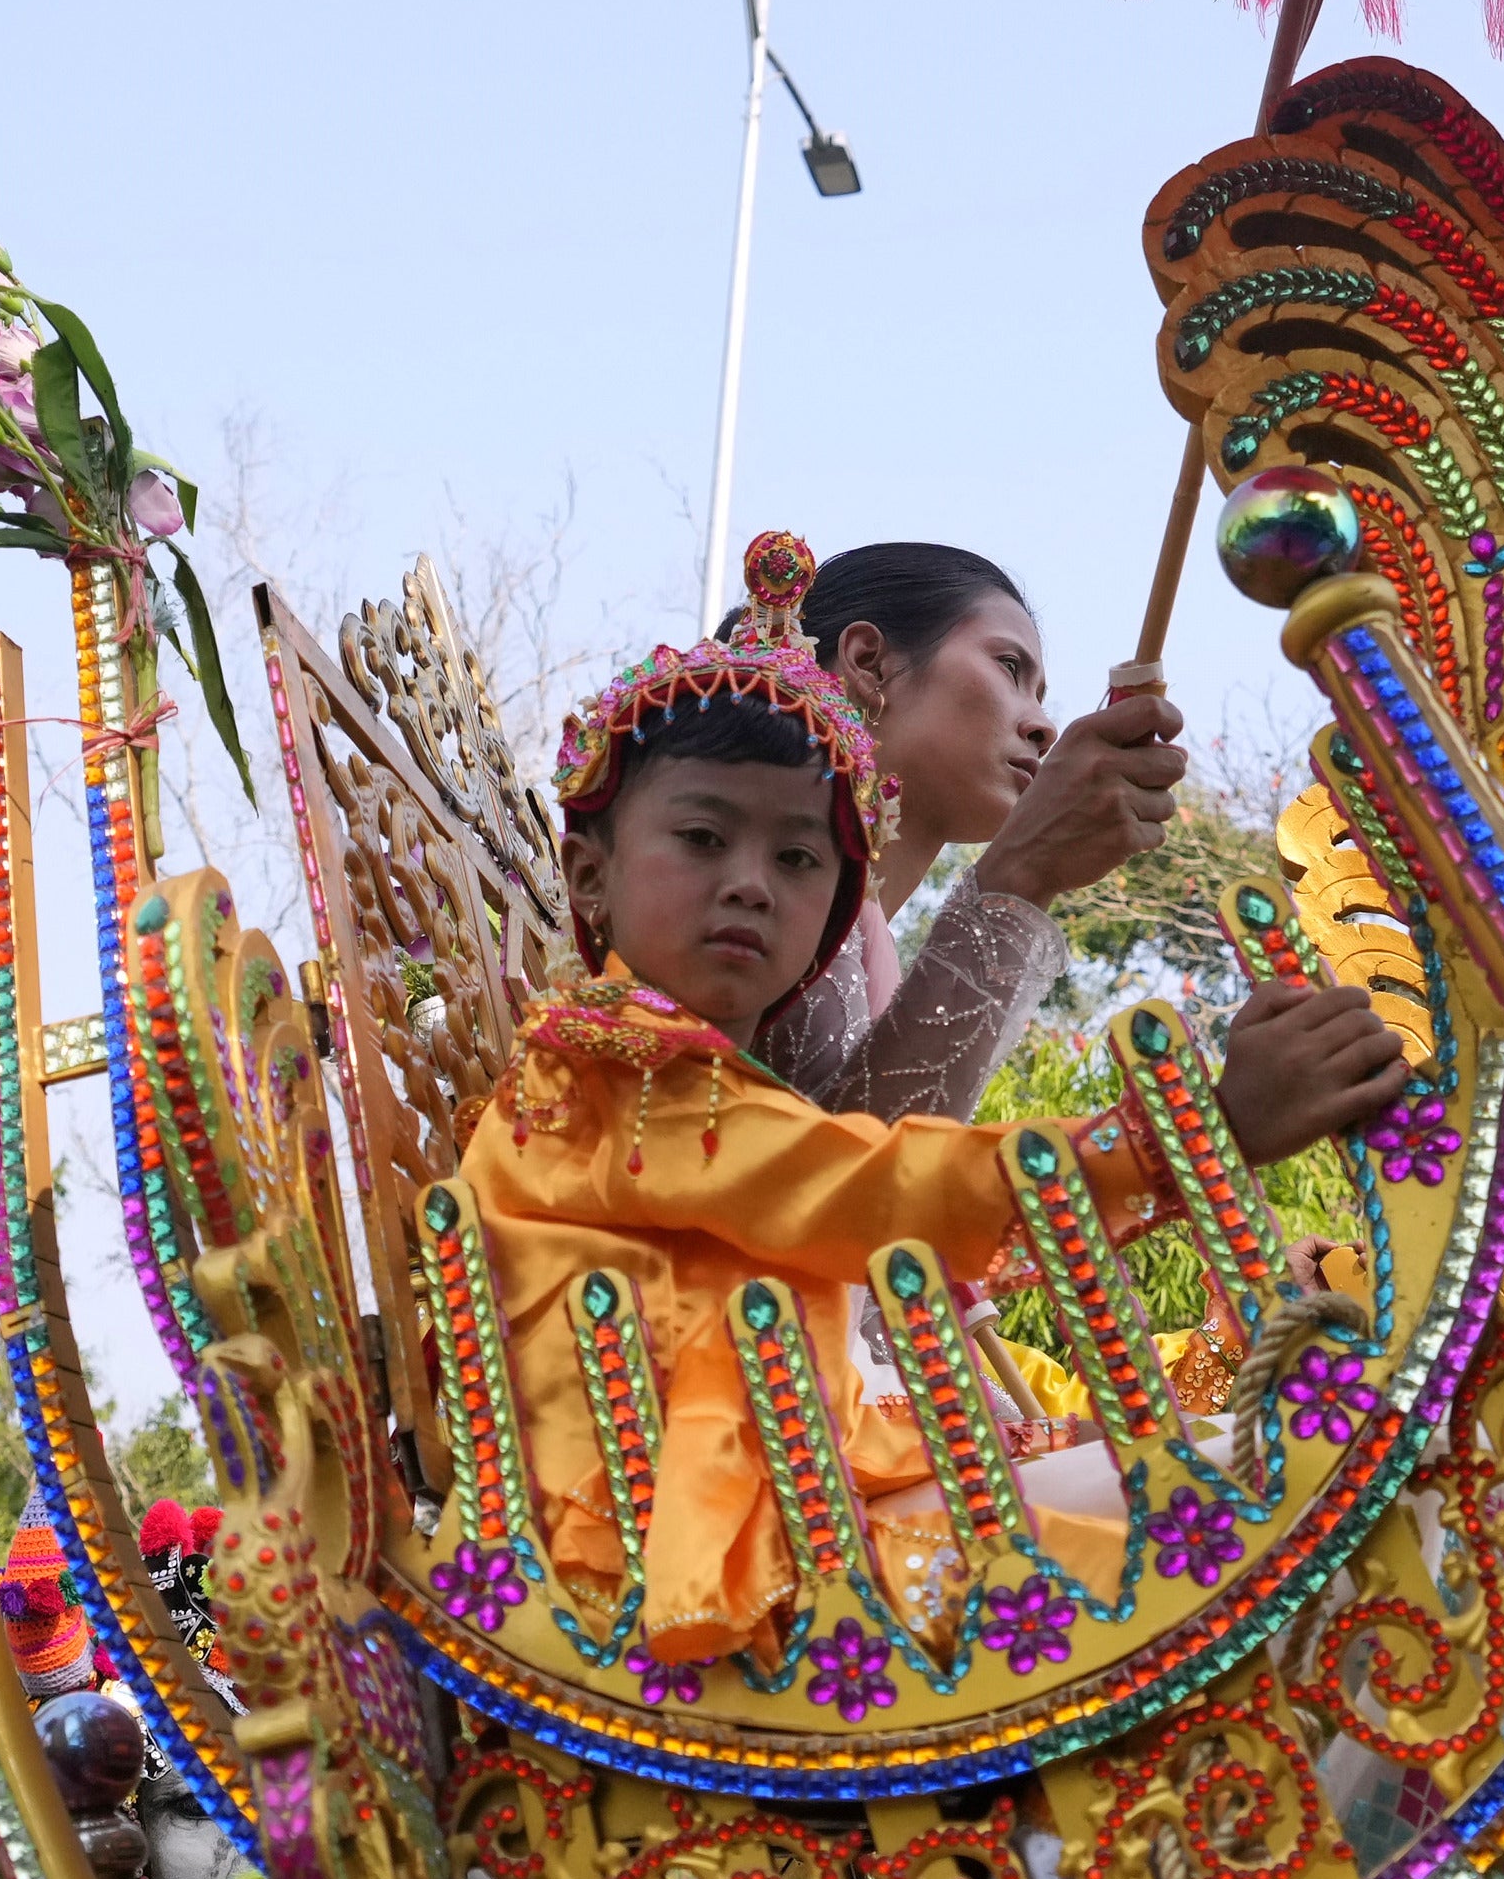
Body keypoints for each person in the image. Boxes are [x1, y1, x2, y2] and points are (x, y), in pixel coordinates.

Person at [465, 534, 1406, 1668]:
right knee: (1293, 1499)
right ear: (590, 878)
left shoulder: (700, 1041)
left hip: (782, 1496)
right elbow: (866, 1185)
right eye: (703, 836)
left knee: (1323, 1466)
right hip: (707, 1564)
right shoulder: (616, 1062)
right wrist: (1185, 1138)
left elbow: (863, 1204)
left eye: (803, 859)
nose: (753, 883)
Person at [764, 540, 1191, 1120]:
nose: (1044, 725)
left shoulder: (863, 929)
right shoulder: (751, 881)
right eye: (1010, 668)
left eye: (1040, 695)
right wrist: (1022, 871)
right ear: (869, 662)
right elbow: (842, 1178)